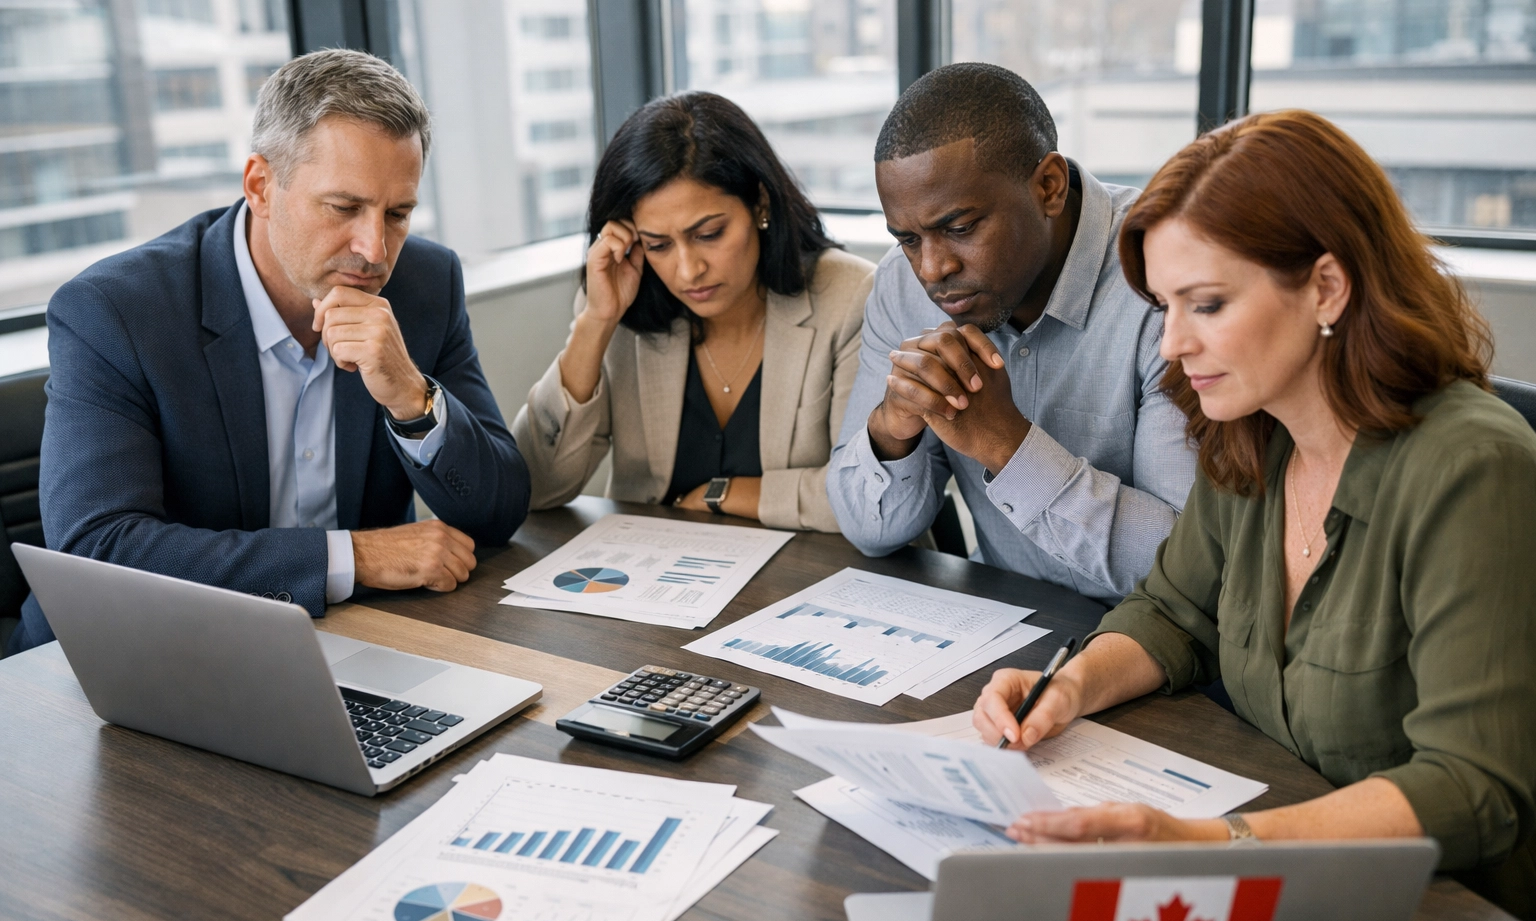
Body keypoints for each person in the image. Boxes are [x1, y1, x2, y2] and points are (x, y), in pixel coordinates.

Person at [972, 110, 1536, 921]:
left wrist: (1215, 844)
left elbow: (1472, 788)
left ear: (1327, 289)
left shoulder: (1472, 471)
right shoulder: (1254, 431)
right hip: (1301, 882)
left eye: (1206, 305)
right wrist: (1070, 687)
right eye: (1164, 306)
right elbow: (1175, 610)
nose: (1170, 345)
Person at [6, 49, 530, 655]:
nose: (375, 249)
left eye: (398, 214)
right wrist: (353, 557)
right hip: (120, 661)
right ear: (260, 185)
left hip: (341, 648)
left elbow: (498, 514)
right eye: (344, 207)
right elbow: (99, 553)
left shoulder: (424, 284)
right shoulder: (117, 312)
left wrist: (413, 400)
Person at [827, 63, 1195, 601]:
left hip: (1166, 653)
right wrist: (891, 430)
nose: (931, 269)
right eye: (908, 239)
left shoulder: (1166, 282)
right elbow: (872, 532)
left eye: (959, 228)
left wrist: (1004, 443)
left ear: (1048, 186)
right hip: (1001, 627)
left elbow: (1186, 569)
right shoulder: (900, 288)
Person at [512, 92, 874, 531]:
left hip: (810, 579)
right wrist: (595, 323)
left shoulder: (850, 296)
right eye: (658, 245)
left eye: (709, 233)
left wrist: (723, 494)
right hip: (660, 581)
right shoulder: (623, 307)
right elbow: (532, 486)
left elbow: (867, 496)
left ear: (760, 203)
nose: (689, 270)